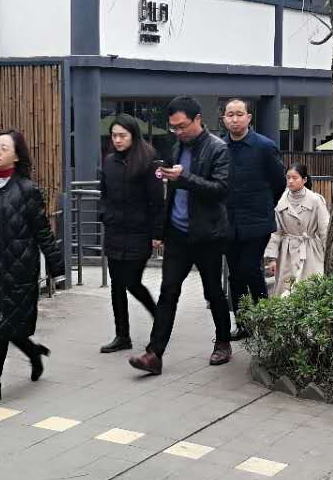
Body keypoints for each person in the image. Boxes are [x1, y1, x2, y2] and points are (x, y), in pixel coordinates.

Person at [128, 96, 232, 376]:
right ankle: (154, 354)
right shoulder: (176, 147)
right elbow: (171, 194)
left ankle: (223, 342)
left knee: (213, 291)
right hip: (178, 234)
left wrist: (184, 179)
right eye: (174, 127)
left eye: (182, 126)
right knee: (168, 292)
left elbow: (220, 190)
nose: (178, 132)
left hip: (208, 236)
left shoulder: (218, 149)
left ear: (198, 119)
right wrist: (161, 231)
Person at [0, 129, 64, 408]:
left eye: (3, 147)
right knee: (2, 322)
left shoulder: (26, 189)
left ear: (17, 155)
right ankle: (33, 352)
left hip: (16, 270)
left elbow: (42, 231)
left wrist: (57, 267)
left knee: (0, 327)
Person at [97, 115, 164, 353]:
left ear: (133, 136)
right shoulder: (109, 161)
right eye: (114, 135)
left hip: (139, 232)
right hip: (115, 230)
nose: (117, 140)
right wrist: (104, 214)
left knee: (132, 282)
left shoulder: (149, 160)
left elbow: (157, 201)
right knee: (116, 285)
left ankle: (159, 317)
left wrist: (157, 233)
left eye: (122, 136)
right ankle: (122, 335)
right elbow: (104, 193)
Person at [221, 99, 286, 338]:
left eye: (239, 114)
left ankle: (265, 321)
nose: (235, 119)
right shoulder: (219, 147)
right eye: (230, 114)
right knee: (235, 274)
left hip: (257, 222)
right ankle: (243, 325)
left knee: (250, 268)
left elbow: (279, 183)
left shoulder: (265, 147)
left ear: (249, 118)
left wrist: (264, 205)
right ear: (224, 119)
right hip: (229, 222)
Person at [264, 164, 329, 297]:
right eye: (288, 178)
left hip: (310, 251)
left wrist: (328, 255)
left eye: (295, 178)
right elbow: (275, 232)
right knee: (285, 291)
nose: (290, 181)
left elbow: (324, 229)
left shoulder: (315, 200)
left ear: (304, 180)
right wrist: (271, 258)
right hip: (287, 254)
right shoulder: (280, 201)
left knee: (310, 290)